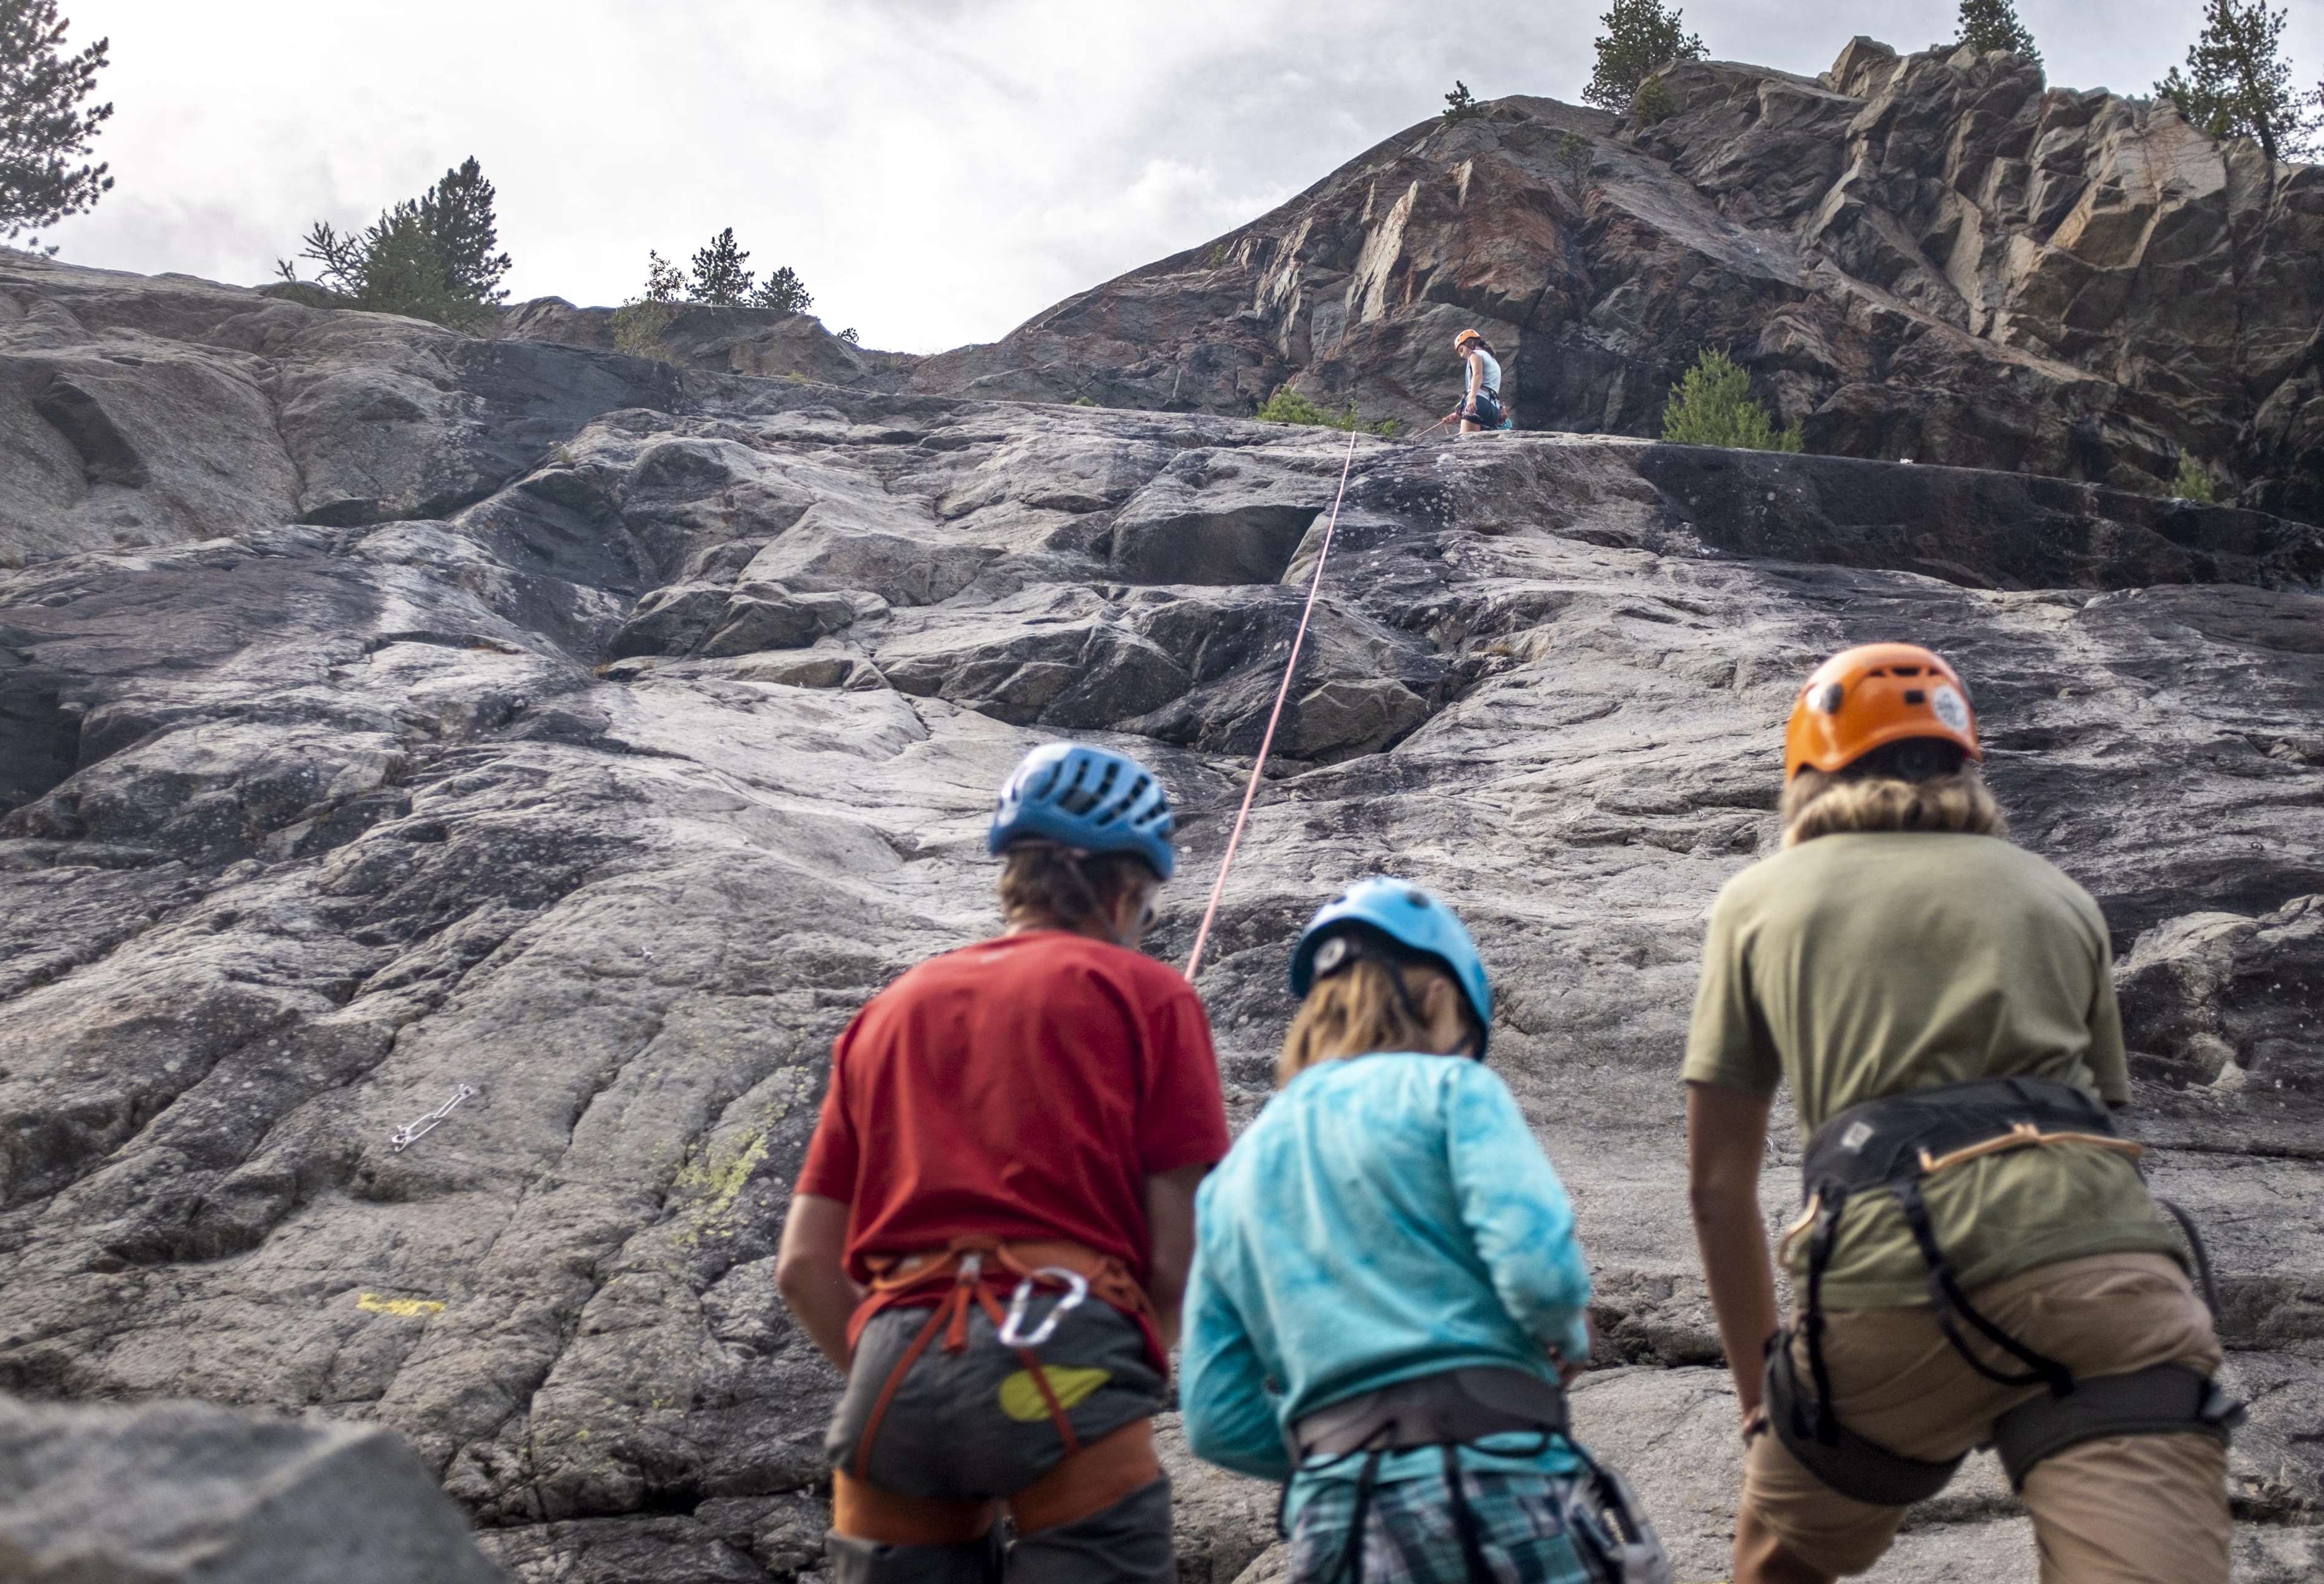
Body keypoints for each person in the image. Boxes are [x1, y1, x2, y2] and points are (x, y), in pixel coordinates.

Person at [1682, 643, 2241, 1584]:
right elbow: (2108, 1127)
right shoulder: (2061, 898)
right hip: (2104, 1278)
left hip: (1888, 1279)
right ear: (1963, 764)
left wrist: (1762, 1405)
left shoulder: (1759, 900)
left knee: (1774, 1566)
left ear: (1810, 769)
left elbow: (1715, 1185)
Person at [777, 741, 1232, 1584]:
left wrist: (919, 1381)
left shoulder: (887, 1013)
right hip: (1063, 1346)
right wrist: (1130, 1363)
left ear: (1013, 871)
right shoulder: (1149, 995)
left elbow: (804, 1264)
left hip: (894, 1366)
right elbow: (1181, 1250)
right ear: (1128, 889)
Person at [1181, 877, 1668, 1584]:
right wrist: (1566, 1336)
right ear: (1441, 997)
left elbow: (1214, 1415)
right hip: (1497, 1480)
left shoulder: (1231, 1177)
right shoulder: (1451, 1091)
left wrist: (1336, 1446)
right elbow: (1539, 1273)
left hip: (1337, 1528)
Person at [1442, 330, 1504, 435]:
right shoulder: (1493, 361)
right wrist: (1458, 413)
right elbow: (1488, 387)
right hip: (1493, 410)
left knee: (1465, 444)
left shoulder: (1475, 354)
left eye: (1462, 349)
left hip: (1478, 403)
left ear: (1470, 343)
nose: (1462, 355)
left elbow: (1477, 375)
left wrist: (1472, 398)